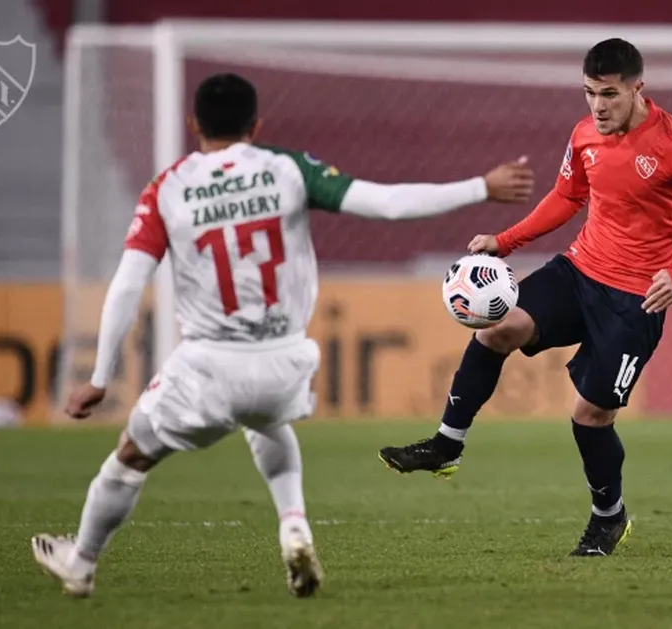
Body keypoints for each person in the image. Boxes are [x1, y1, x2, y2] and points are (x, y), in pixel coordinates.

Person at [30, 72, 535, 598]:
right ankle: (294, 528)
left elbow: (128, 284)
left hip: (208, 365)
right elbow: (386, 204)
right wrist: (482, 187)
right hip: (285, 361)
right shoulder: (287, 169)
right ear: (256, 124)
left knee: (130, 455)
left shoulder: (168, 188)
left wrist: (99, 376)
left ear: (193, 123)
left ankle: (83, 562)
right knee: (268, 425)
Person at [378, 38, 672, 557]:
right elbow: (568, 196)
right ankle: (446, 445)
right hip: (578, 271)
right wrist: (504, 241)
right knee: (496, 329)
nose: (597, 106)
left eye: (609, 95)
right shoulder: (584, 135)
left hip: (634, 302)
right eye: (589, 93)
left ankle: (609, 516)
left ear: (637, 89)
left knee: (589, 417)